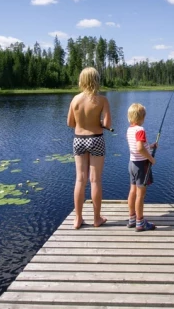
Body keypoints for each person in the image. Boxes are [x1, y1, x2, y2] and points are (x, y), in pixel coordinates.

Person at [67, 67, 112, 229]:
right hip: (96, 139)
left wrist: (83, 123)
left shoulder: (75, 100)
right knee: (95, 180)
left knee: (80, 179)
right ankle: (96, 218)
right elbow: (107, 124)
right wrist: (98, 123)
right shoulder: (102, 100)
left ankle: (78, 219)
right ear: (96, 80)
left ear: (82, 81)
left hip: (78, 140)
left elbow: (70, 123)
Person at [126, 103, 158, 232]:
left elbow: (137, 146)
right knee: (140, 195)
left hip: (132, 164)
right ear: (142, 118)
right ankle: (140, 222)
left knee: (132, 191)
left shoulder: (130, 129)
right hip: (141, 166)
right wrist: (151, 159)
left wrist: (150, 146)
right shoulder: (140, 130)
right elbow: (139, 148)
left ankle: (132, 219)